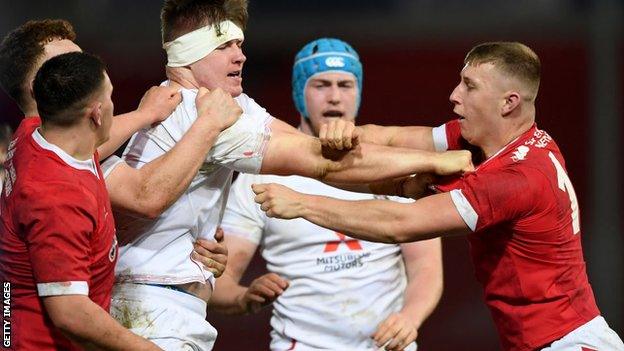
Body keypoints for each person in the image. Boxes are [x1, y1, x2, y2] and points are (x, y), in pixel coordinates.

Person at [110, 1, 472, 350]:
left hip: (162, 304)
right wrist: (431, 161)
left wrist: (402, 179)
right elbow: (322, 162)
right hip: (154, 309)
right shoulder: (206, 112)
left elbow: (318, 151)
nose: (240, 56)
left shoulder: (219, 105)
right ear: (188, 53)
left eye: (239, 44)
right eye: (224, 46)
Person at [252, 42, 624, 351]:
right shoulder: (489, 142)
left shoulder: (517, 179)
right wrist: (336, 133)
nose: (454, 95)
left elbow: (401, 224)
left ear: (508, 102)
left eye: (469, 86)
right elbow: (394, 138)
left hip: (568, 343)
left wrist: (301, 203)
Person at [209, 38, 442, 351]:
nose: (335, 97)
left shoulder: (391, 166)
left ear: (358, 92)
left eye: (345, 84)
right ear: (298, 93)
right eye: (320, 85)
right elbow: (220, 283)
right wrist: (244, 298)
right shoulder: (260, 174)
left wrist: (410, 318)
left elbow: (426, 268)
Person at [0, 19, 233, 275]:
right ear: (39, 88)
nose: (87, 72)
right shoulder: (45, 154)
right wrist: (204, 122)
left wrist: (199, 233)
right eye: (69, 66)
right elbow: (147, 195)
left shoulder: (69, 153)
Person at [0, 51, 163, 350]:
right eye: (111, 96)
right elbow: (71, 313)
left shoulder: (34, 134)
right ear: (97, 114)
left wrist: (145, 115)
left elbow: (92, 148)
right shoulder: (56, 197)